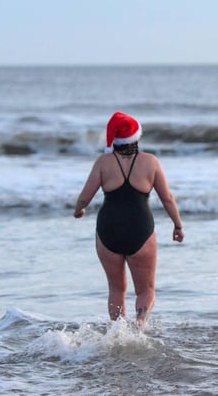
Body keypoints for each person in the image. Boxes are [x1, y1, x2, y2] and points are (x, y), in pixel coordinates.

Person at [74, 111, 184, 328]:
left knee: (116, 289)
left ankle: (118, 333)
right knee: (146, 290)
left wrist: (79, 210)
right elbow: (167, 198)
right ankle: (140, 324)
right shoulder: (150, 162)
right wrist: (178, 225)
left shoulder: (103, 163)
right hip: (140, 230)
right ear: (136, 137)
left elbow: (85, 196)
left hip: (108, 230)